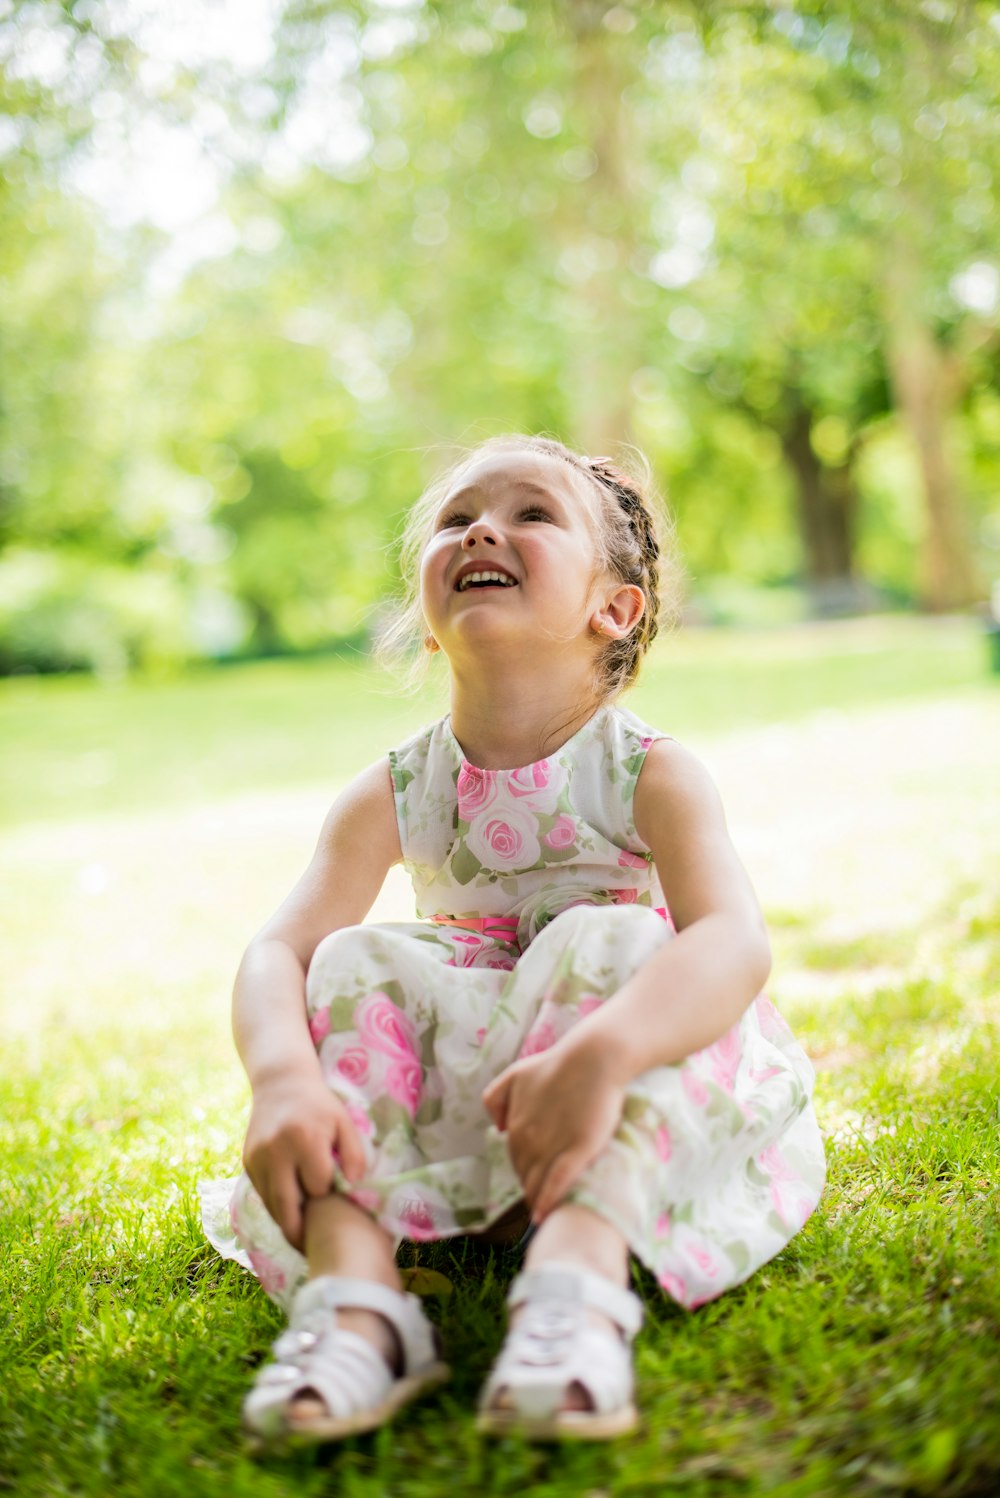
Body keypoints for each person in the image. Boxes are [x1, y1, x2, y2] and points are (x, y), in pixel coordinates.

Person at [200, 433, 826, 1446]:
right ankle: (362, 1307)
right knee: (353, 959)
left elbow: (733, 942)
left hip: (613, 1091)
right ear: (427, 620)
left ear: (612, 607)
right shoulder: (397, 789)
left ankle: (573, 1284)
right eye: (456, 518)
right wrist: (282, 1079)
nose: (482, 528)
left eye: (531, 513)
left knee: (624, 937)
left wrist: (606, 1049)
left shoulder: (649, 775)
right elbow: (277, 950)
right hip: (470, 1109)